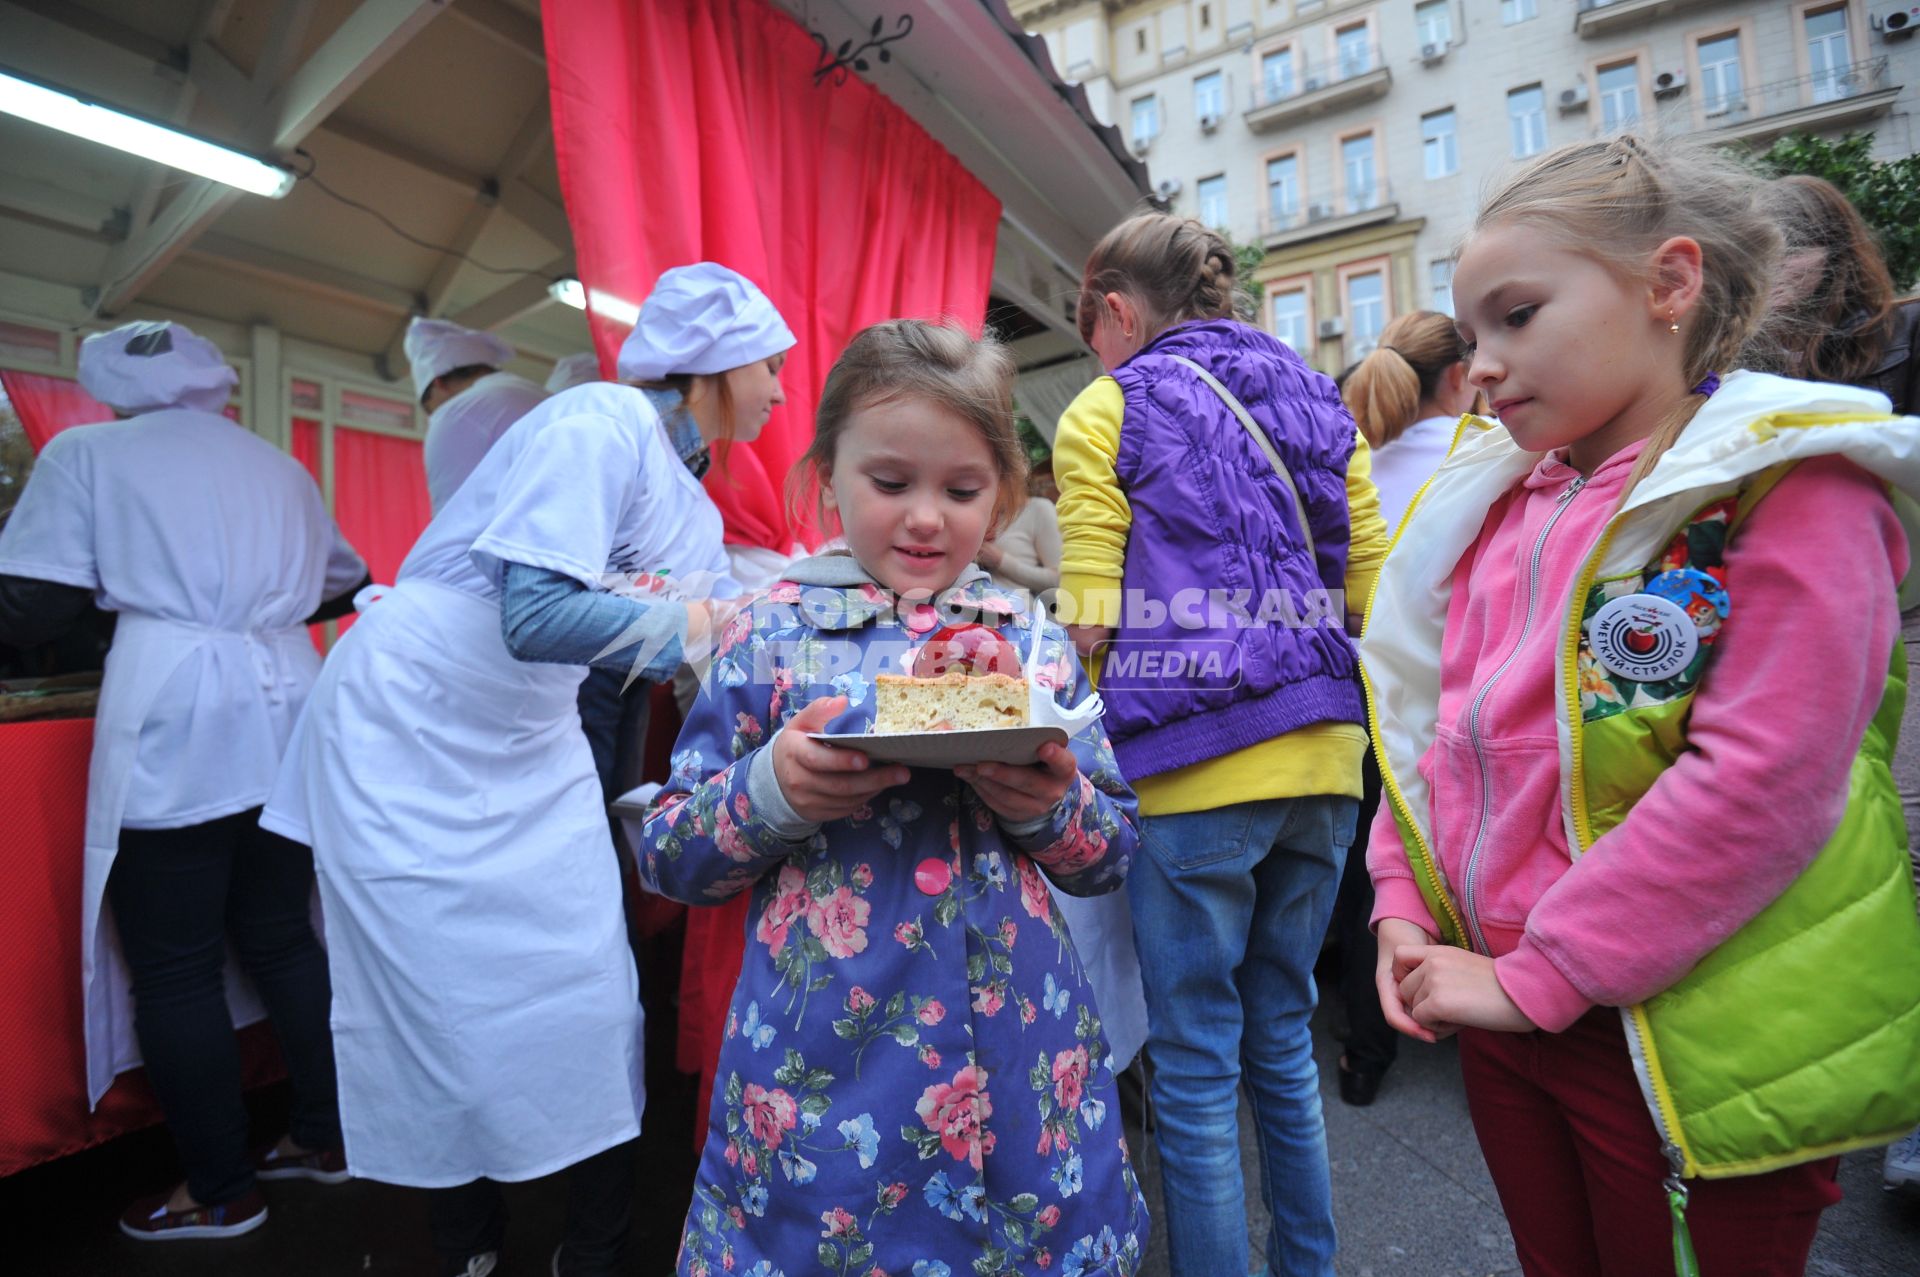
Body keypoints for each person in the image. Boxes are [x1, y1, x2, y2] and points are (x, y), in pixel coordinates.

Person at [1363, 135, 1920, 1276]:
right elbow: (1435, 724)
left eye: (1518, 315)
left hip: (1685, 1031)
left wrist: (1542, 973)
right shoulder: (1503, 503)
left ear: (1670, 282)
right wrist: (1400, 900)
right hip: (1505, 1008)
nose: (1482, 365)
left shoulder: (1792, 483)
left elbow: (1763, 780)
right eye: (1469, 336)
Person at [262, 263, 793, 1277]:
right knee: (422, 998)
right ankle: (453, 1246)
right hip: (408, 726)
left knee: (590, 986)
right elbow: (536, 613)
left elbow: (737, 642)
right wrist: (697, 624)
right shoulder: (597, 421)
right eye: (769, 364)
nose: (777, 388)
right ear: (715, 365)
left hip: (527, 735)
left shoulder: (689, 497)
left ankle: (592, 1248)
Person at [634, 319, 1147, 1275]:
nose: (925, 518)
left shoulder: (1025, 634)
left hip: (1021, 1066)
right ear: (827, 474)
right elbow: (669, 851)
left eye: (960, 491)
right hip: (821, 1087)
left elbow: (1111, 849)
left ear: (1001, 494)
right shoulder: (768, 630)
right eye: (890, 483)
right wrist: (773, 788)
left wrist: (1041, 799)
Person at [1054, 212, 1388, 1276]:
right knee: (1282, 1036)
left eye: (1091, 331)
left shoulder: (1105, 406)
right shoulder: (1321, 395)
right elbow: (1373, 585)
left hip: (1195, 770)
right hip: (1331, 757)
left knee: (1195, 1066)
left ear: (1116, 308)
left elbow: (1090, 615)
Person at [0, 320, 368, 1240]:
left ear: (107, 381)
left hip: (177, 715)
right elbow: (342, 582)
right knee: (284, 938)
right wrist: (254, 599)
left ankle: (222, 1186)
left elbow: (28, 604)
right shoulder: (277, 465)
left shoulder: (88, 452)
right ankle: (328, 1138)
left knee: (173, 966)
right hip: (288, 706)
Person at [1748, 172, 1920, 1196]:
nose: (1752, 278)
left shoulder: (1904, 340)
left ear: (1819, 257)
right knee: (1846, 856)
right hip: (1818, 645)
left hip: (1902, 629)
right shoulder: (1750, 361)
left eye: (1771, 256)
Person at [1321, 311, 1481, 1109]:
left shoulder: (1355, 467)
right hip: (1456, 697)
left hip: (1357, 691)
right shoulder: (1485, 456)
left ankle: (1363, 1053)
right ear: (1458, 374)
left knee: (1365, 869)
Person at [407, 317, 550, 513]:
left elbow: (452, 521)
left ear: (439, 383)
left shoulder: (456, 415)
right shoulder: (542, 394)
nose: (432, 417)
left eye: (430, 408)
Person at [977, 459, 1062, 610]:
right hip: (971, 613)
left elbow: (1059, 581)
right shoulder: (983, 512)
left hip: (1015, 619)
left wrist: (1001, 561)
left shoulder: (1039, 509)